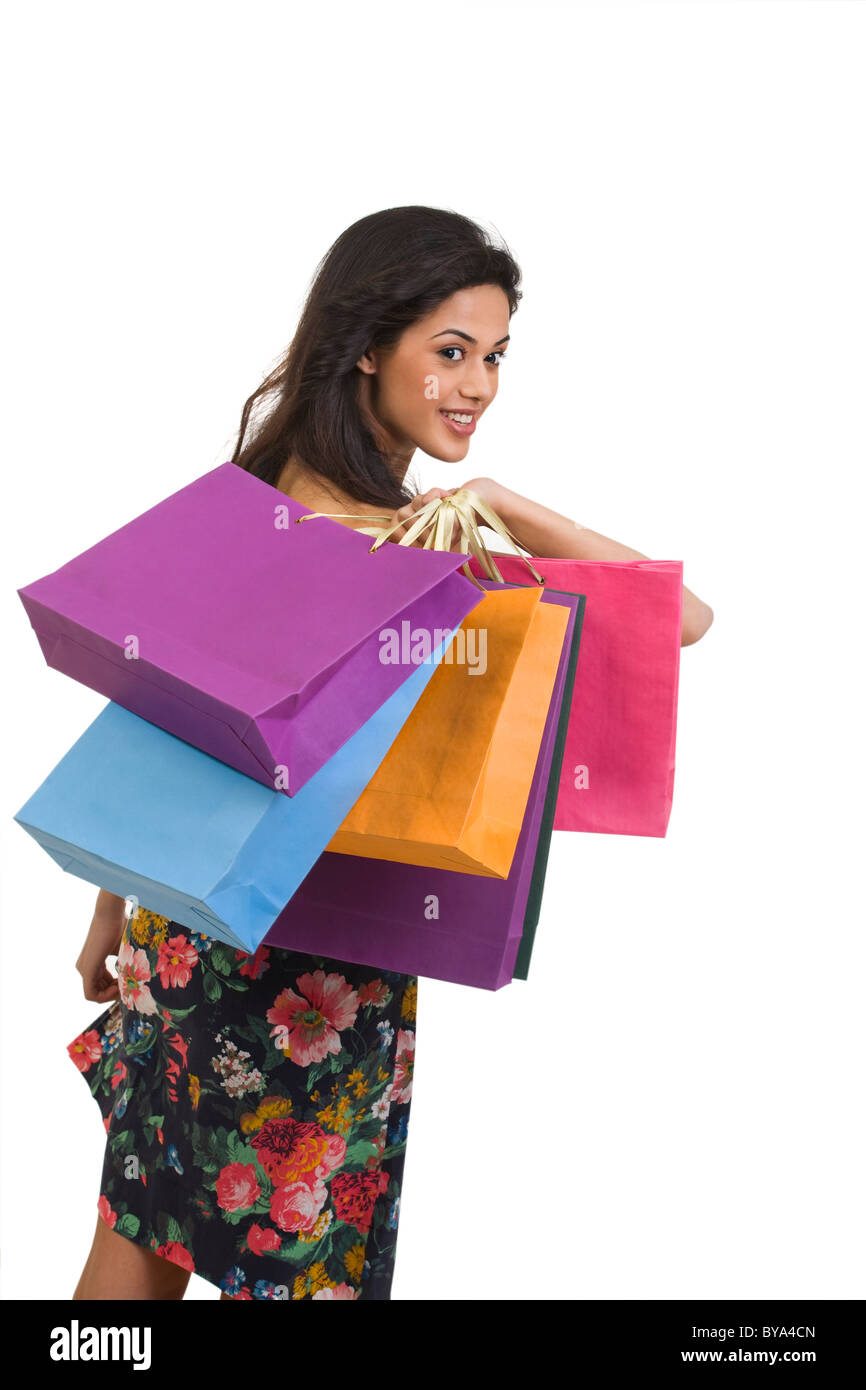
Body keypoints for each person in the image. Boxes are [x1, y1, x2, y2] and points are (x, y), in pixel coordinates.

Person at [70, 205, 713, 1302]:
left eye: (494, 355)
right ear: (368, 345)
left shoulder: (315, 506)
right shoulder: (380, 538)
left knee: (146, 1231)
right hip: (293, 960)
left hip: (234, 935)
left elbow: (161, 710)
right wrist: (498, 508)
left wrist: (108, 917)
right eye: (449, 351)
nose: (476, 385)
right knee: (264, 1258)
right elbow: (689, 621)